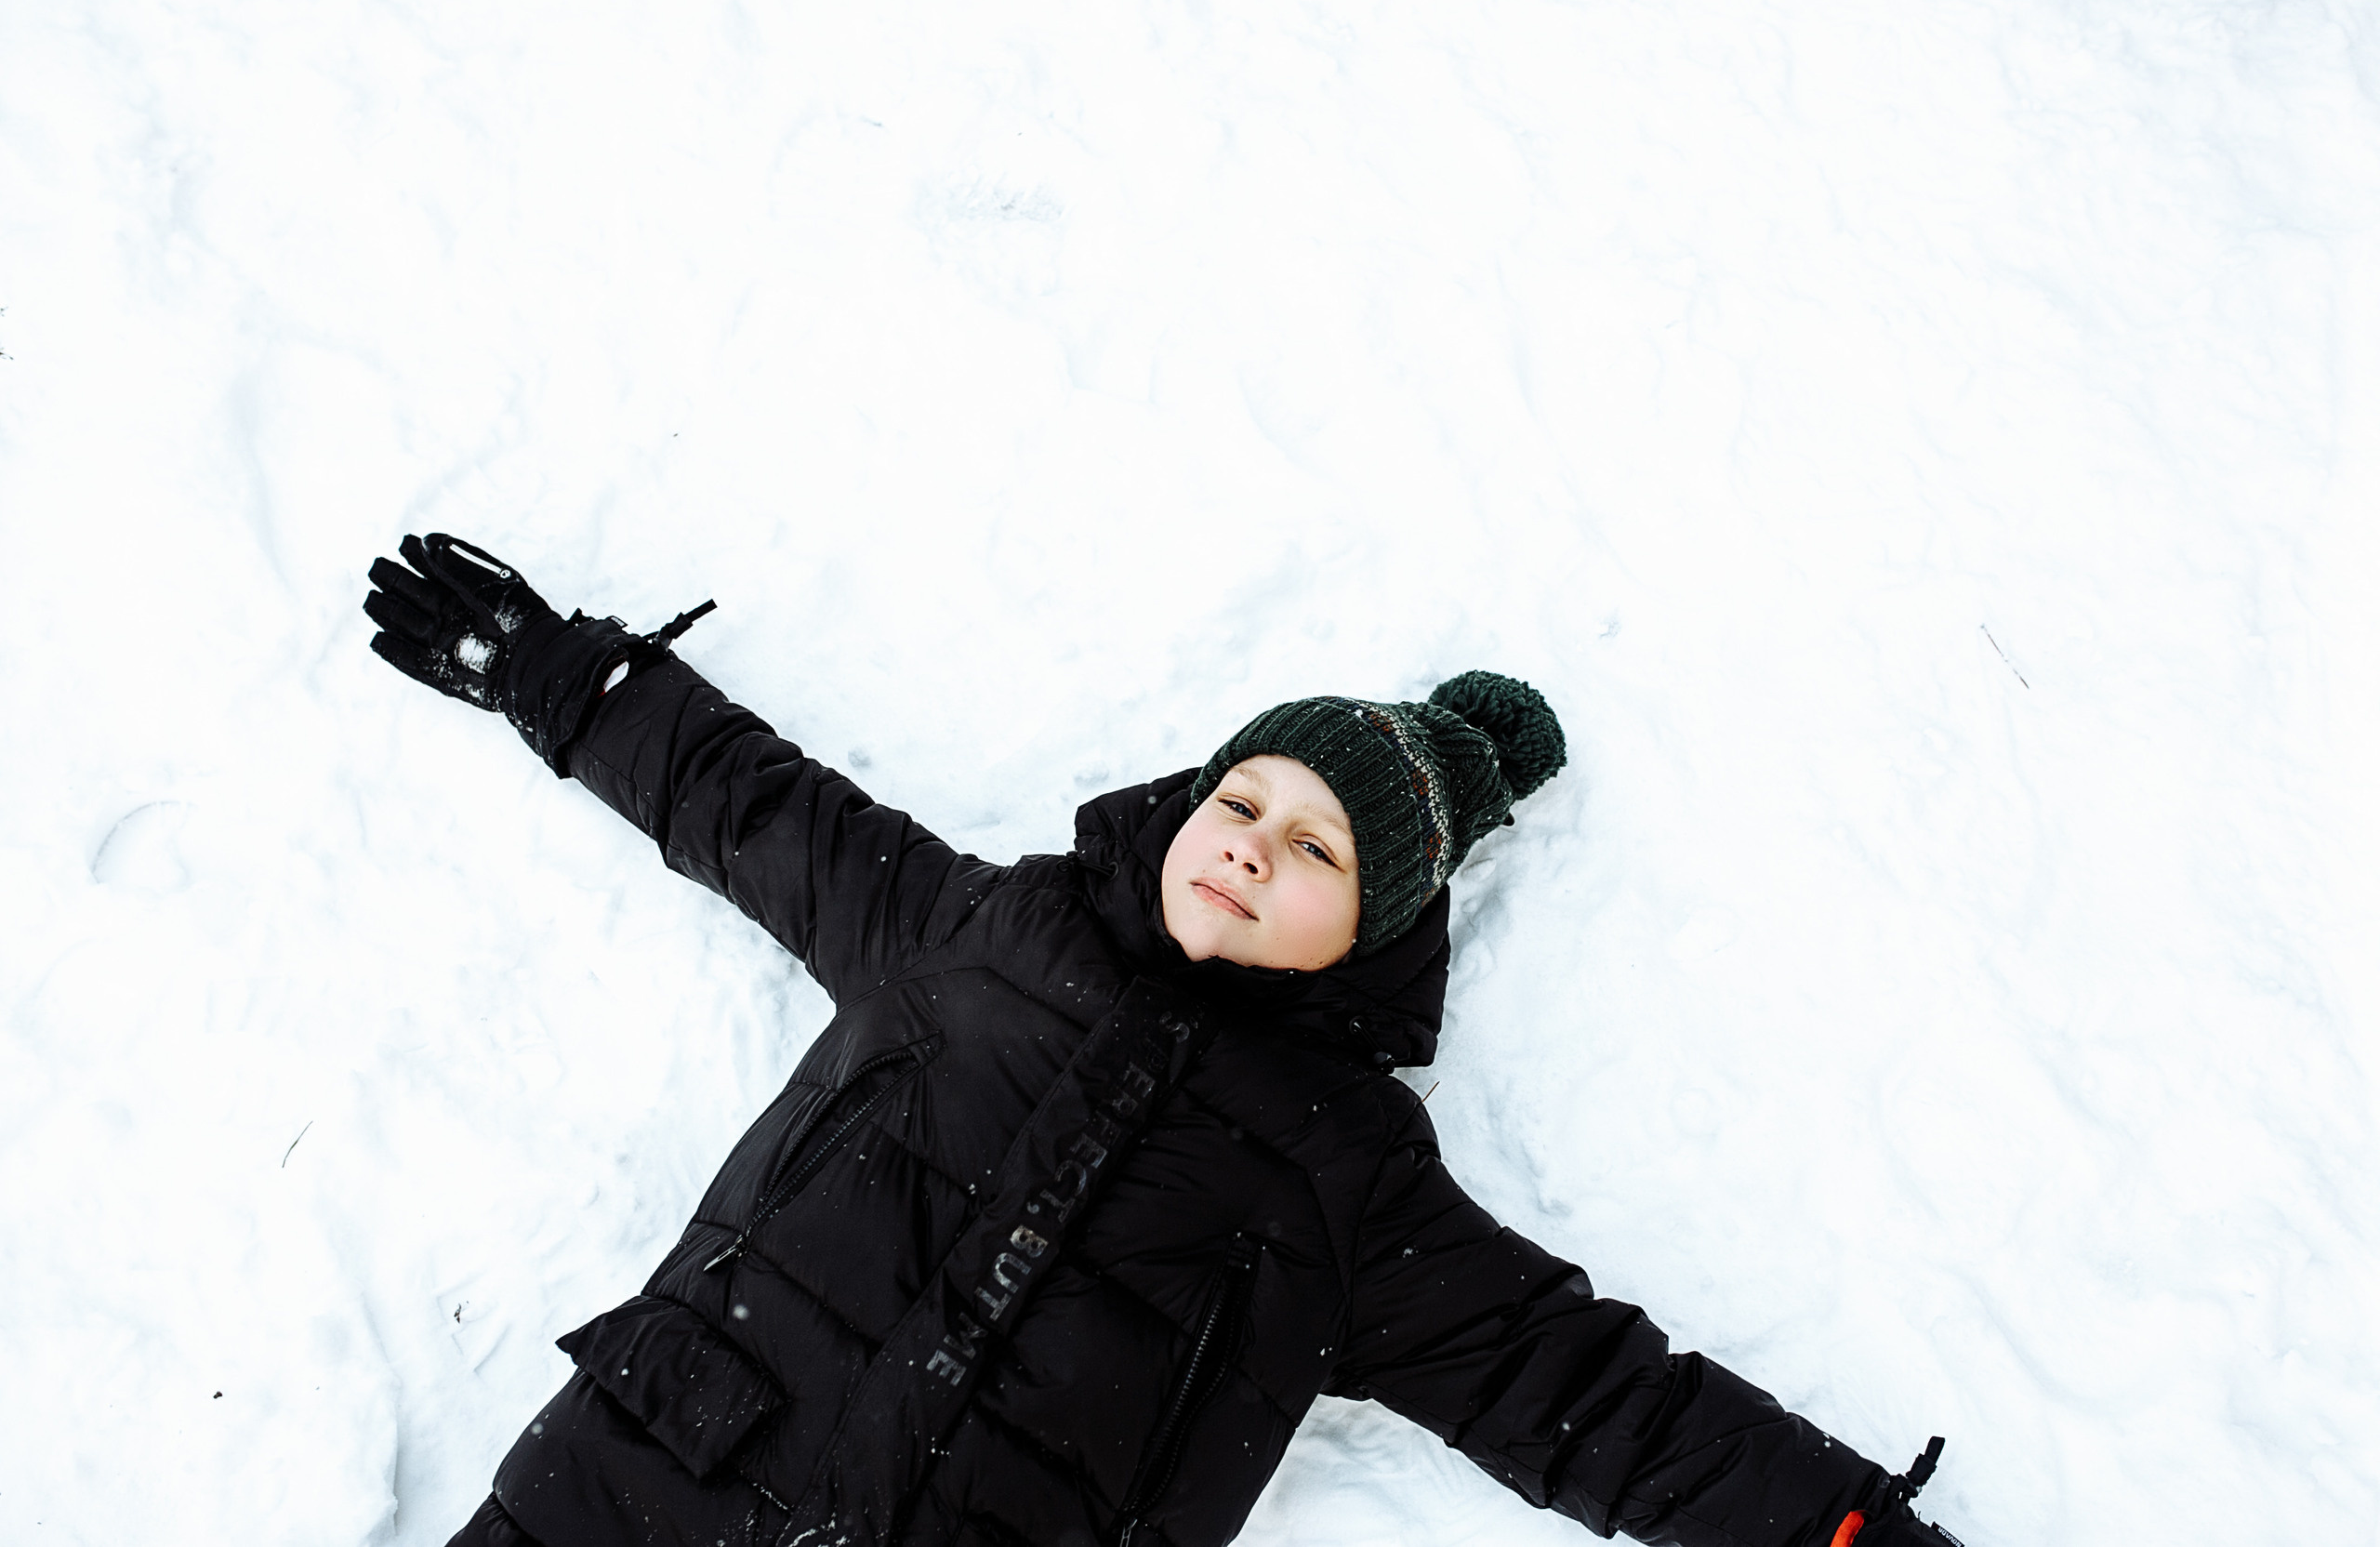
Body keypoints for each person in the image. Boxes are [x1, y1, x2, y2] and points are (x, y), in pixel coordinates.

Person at [364, 534, 1969, 1547]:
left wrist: (1838, 1533)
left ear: (1373, 937)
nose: (1255, 846)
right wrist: (563, 676)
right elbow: (756, 811)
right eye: (1246, 798)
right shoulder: (977, 933)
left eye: (1319, 853)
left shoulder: (1351, 1179)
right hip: (638, 1488)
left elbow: (1597, 1395)